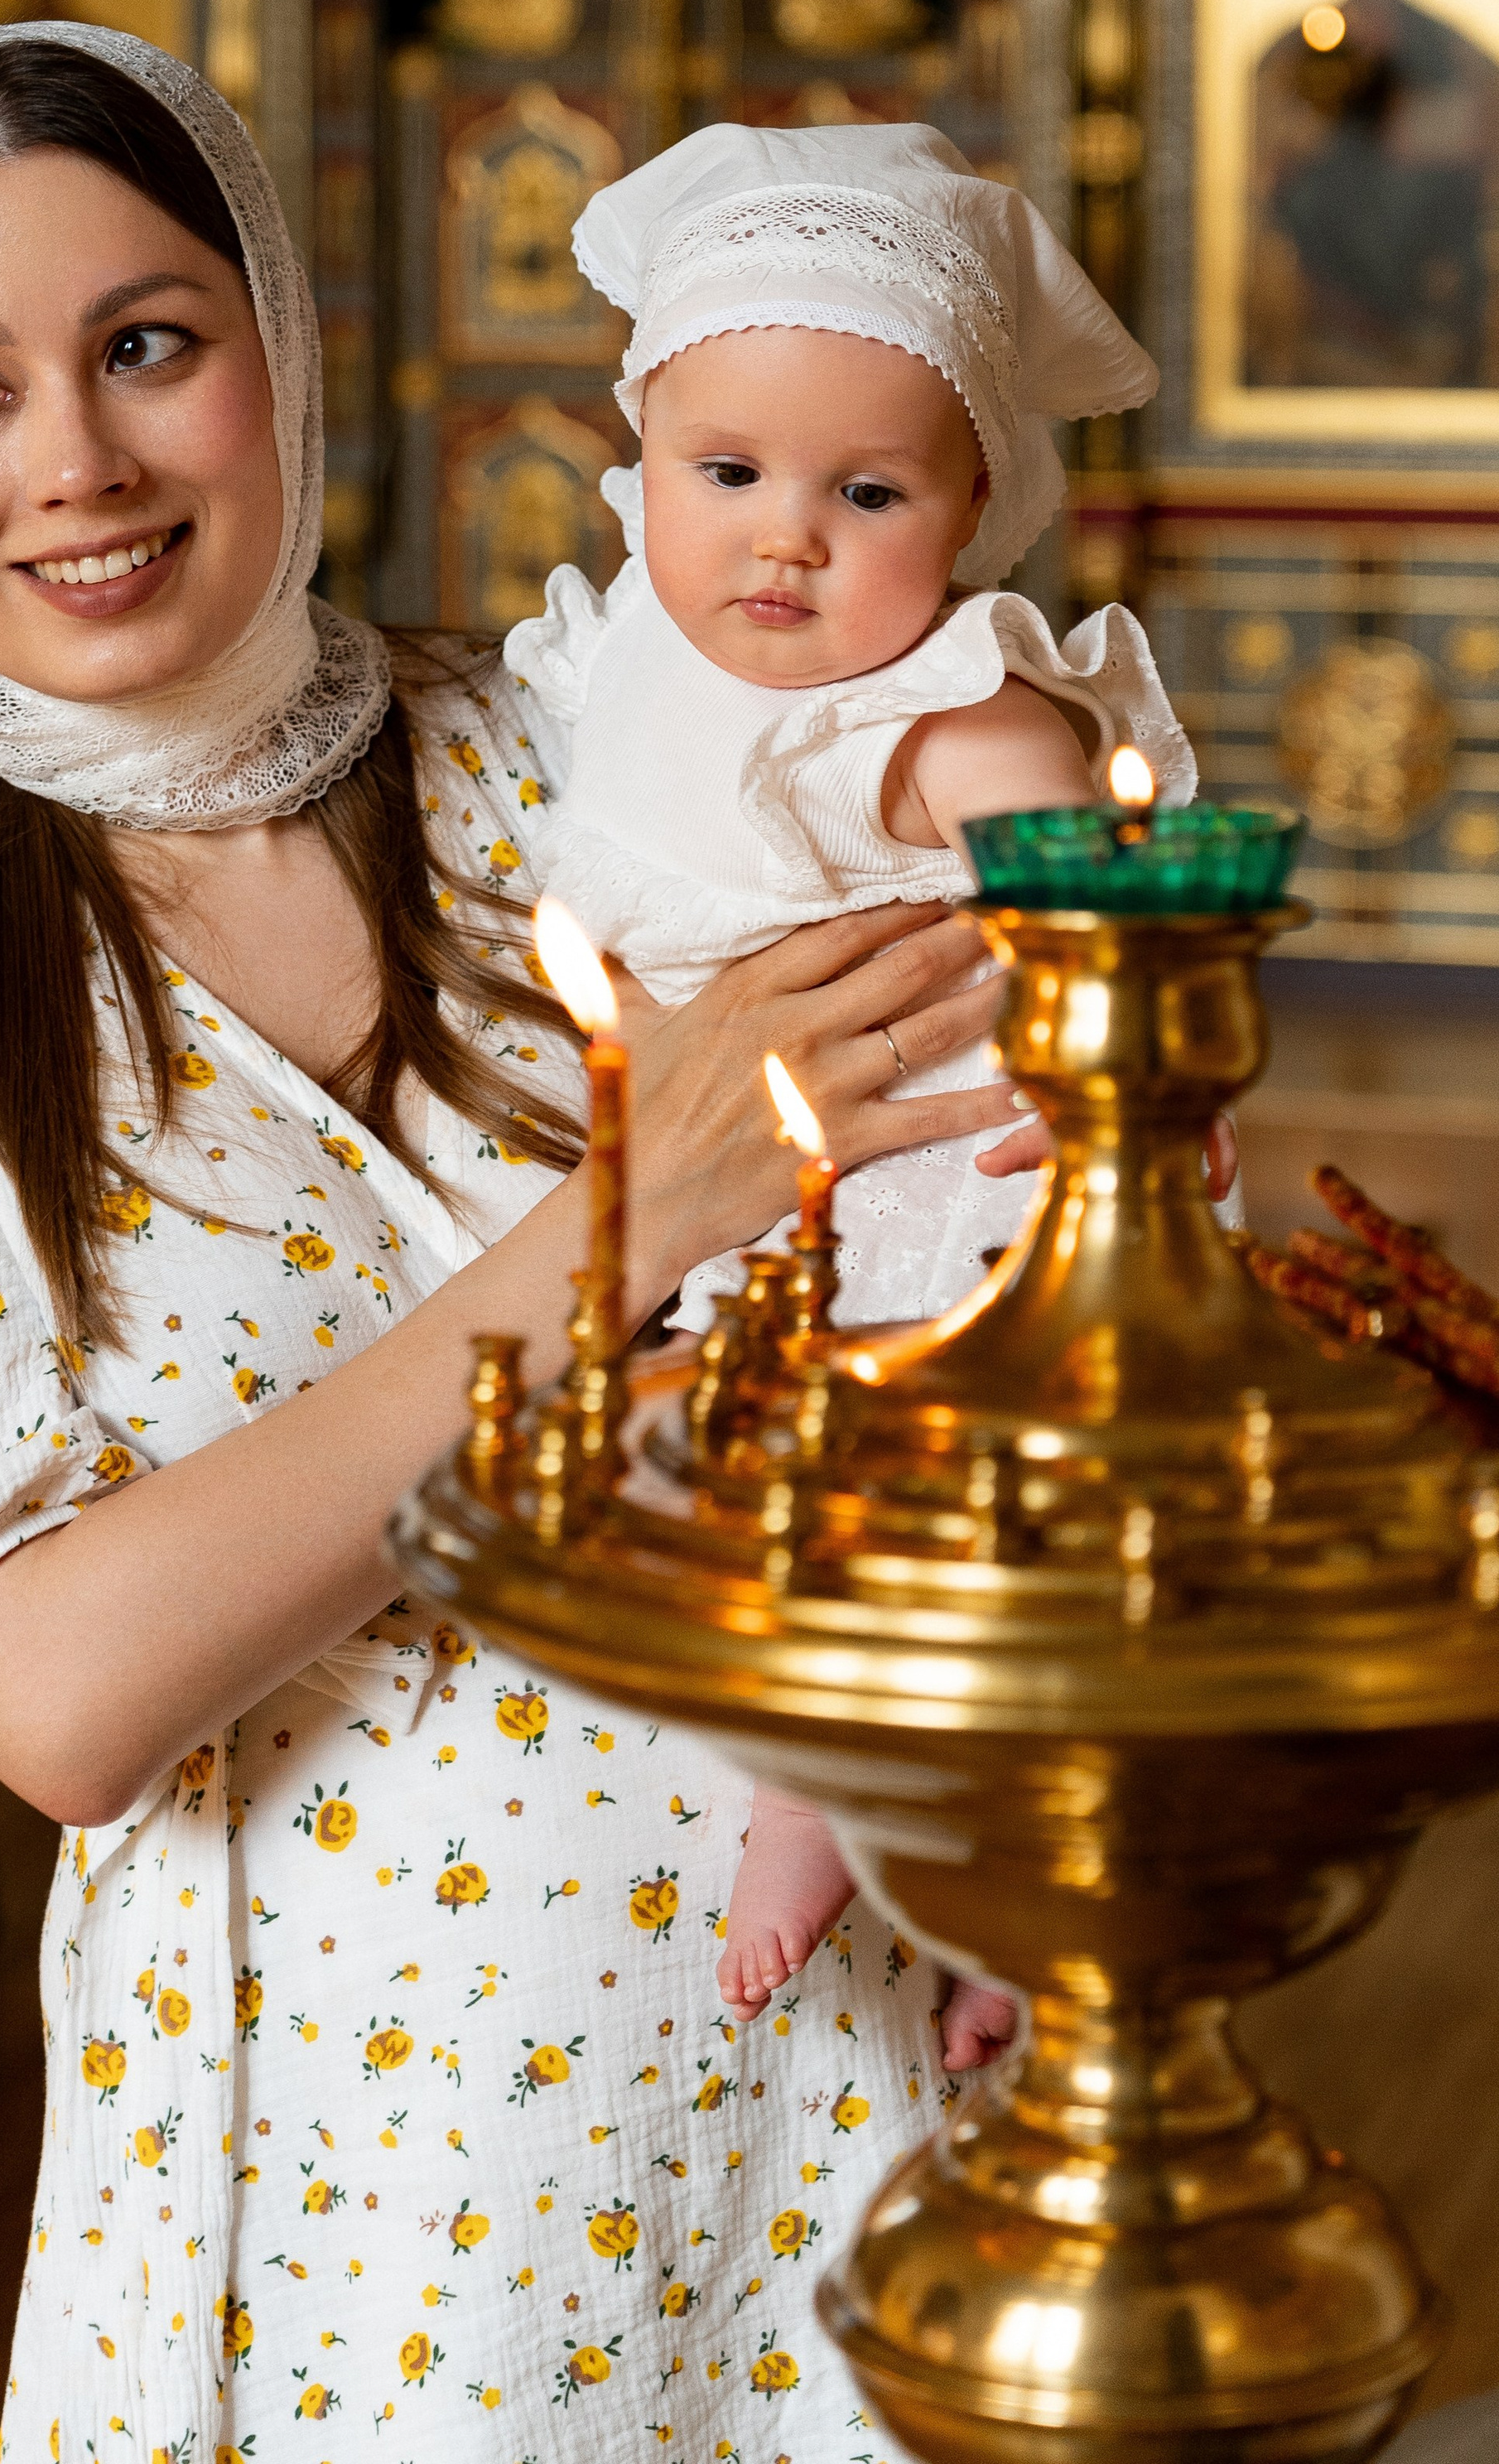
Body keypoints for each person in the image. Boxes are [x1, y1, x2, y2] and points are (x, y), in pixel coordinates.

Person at [0, 28, 1031, 2464]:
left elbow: (990, 1222)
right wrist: (622, 1228)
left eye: (149, 344)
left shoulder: (616, 751)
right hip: (367, 2231)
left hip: (858, 2069)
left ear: (282, 347)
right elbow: (62, 1701)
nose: (71, 459)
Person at [502, 123, 1216, 2040]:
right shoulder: (628, 656)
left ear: (974, 507)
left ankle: (977, 1883)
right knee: (774, 1511)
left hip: (941, 1178)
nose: (780, 534)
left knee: (977, 1532)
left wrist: (1138, 1073)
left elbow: (1094, 894)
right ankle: (846, 1802)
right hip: (749, 1180)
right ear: (637, 451)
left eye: (865, 488)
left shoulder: (945, 705)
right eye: (720, 470)